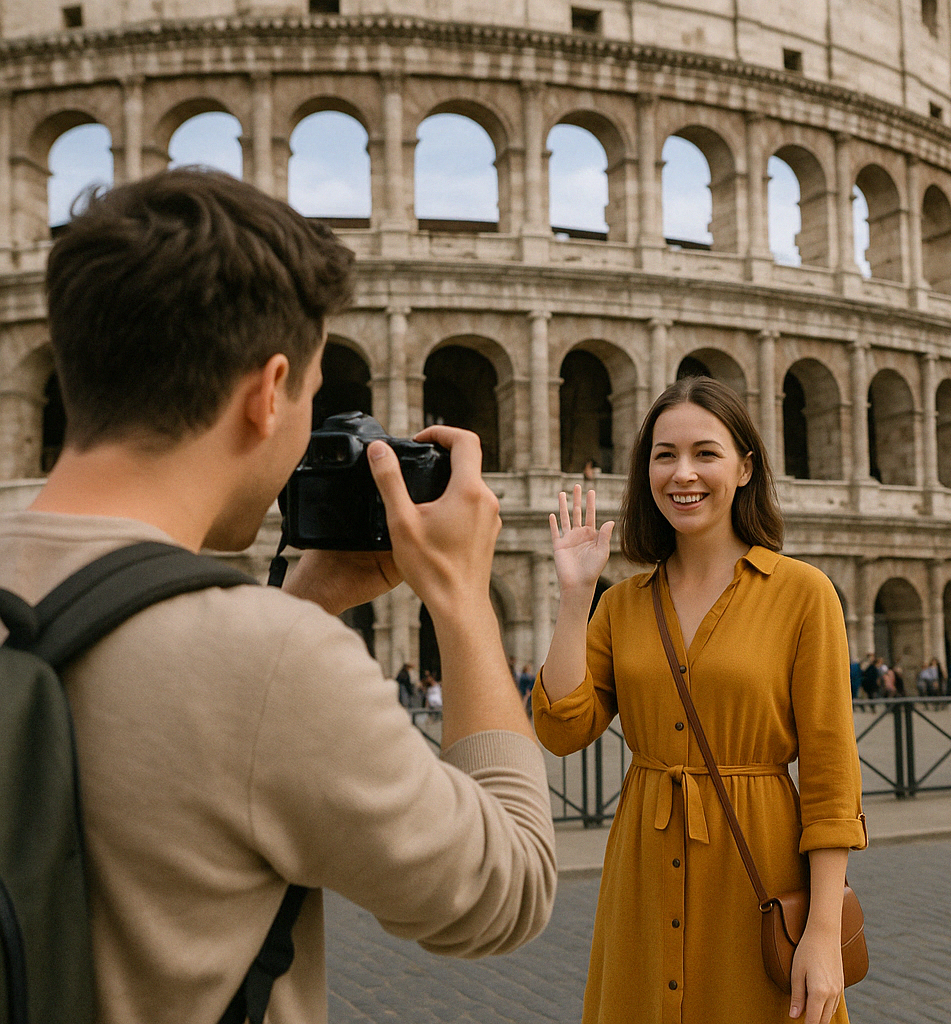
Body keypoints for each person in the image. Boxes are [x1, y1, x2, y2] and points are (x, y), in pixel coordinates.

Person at [0, 169, 556, 1023]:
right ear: (268, 394)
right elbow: (506, 888)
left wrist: (297, 605)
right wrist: (462, 596)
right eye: (312, 392)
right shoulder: (267, 664)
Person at [533, 377, 866, 1024]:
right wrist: (576, 599)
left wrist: (822, 933)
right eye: (664, 455)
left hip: (758, 873)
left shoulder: (802, 593)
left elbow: (831, 777)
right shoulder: (623, 604)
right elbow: (562, 728)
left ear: (744, 467)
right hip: (643, 870)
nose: (683, 473)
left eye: (705, 453)